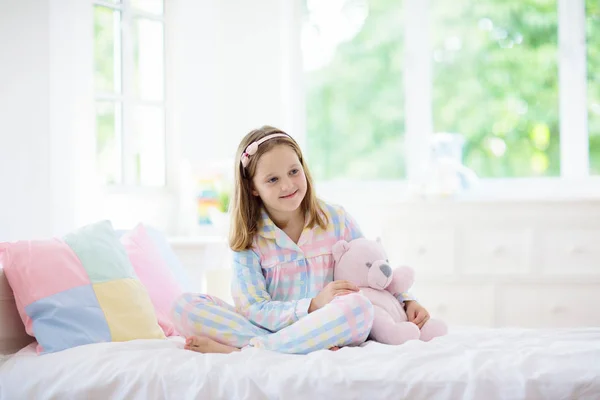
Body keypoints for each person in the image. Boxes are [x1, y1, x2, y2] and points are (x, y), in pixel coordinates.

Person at [171, 126, 430, 354]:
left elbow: (372, 268)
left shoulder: (336, 219)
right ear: (253, 188)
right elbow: (252, 309)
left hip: (333, 324)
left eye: (294, 172)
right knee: (184, 307)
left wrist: (406, 300)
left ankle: (248, 350)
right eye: (272, 179)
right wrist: (313, 305)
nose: (287, 185)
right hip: (270, 327)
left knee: (359, 307)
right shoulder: (248, 239)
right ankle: (280, 346)